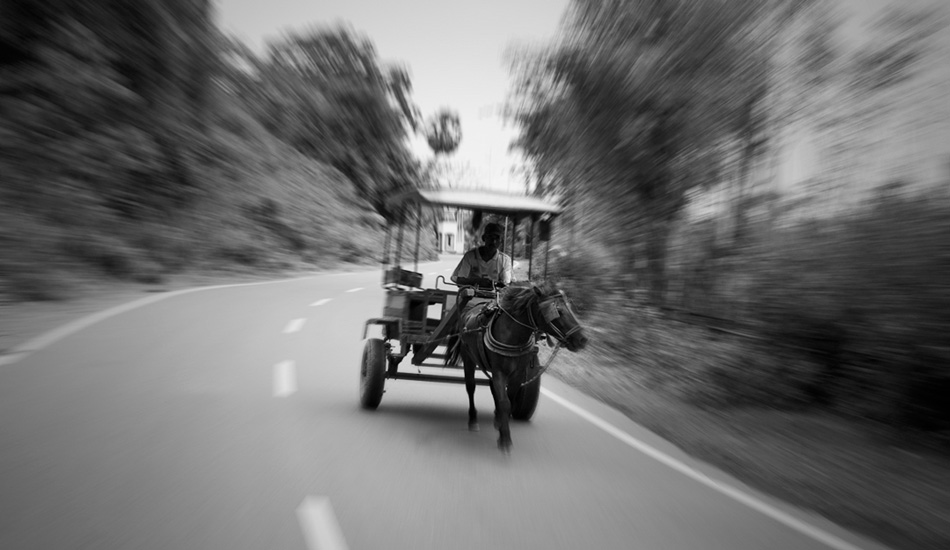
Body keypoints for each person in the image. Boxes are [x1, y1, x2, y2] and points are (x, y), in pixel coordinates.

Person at [451, 222, 512, 289]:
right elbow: (459, 280)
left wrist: (494, 284)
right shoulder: (470, 256)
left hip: (494, 297)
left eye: (497, 238)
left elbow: (506, 284)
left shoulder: (505, 260)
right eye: (490, 237)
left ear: (501, 241)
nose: (494, 242)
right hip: (470, 296)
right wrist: (477, 282)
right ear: (484, 238)